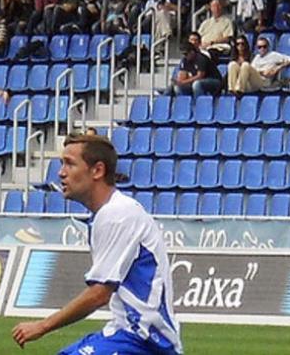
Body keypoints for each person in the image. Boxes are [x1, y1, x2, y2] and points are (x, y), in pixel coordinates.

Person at [12, 134, 182, 355]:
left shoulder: (117, 215)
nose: (61, 172)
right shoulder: (108, 213)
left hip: (146, 340)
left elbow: (100, 293)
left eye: (70, 164)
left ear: (97, 171)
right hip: (127, 334)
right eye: (62, 164)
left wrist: (41, 326)